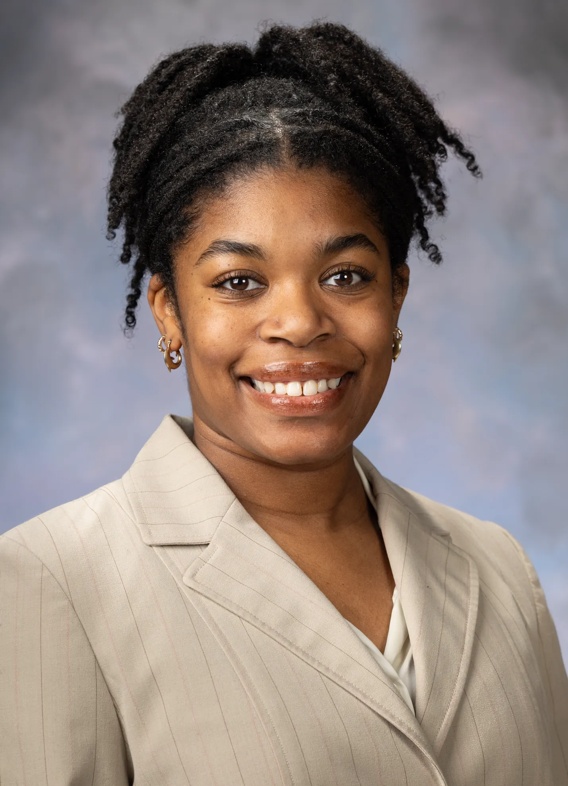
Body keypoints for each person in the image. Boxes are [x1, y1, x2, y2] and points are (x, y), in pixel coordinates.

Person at [1, 21, 566, 786]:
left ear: (398, 294)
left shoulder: (499, 568)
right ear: (168, 310)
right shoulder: (50, 580)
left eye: (346, 276)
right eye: (239, 282)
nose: (300, 322)